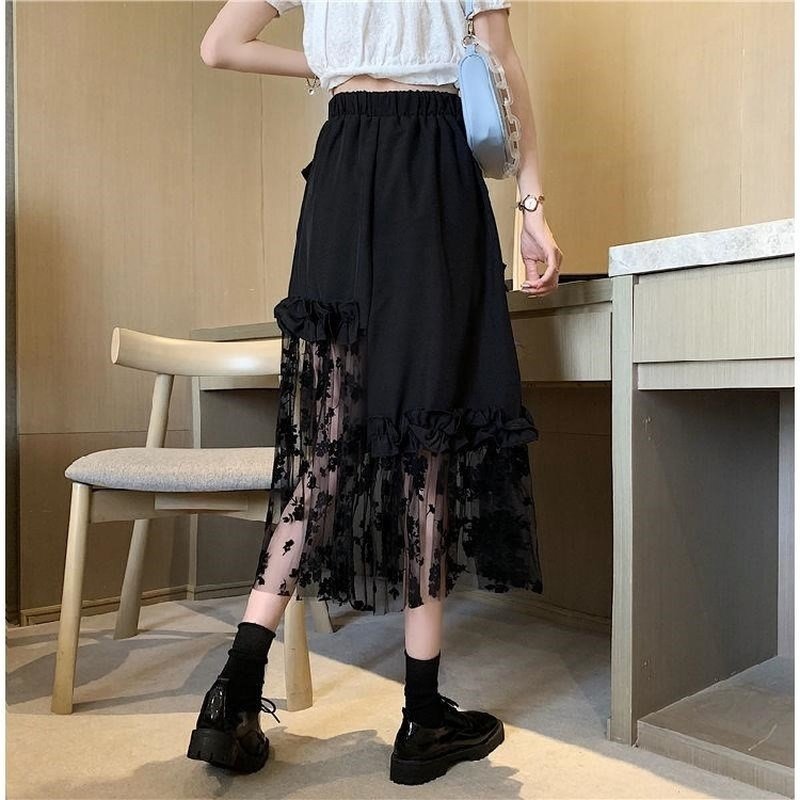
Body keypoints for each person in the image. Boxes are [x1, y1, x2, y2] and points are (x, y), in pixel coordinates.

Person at [188, 0, 562, 785]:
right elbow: (500, 63)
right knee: (427, 441)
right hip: (432, 168)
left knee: (325, 444)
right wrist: (531, 204)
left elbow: (220, 46)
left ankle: (234, 691)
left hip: (343, 161)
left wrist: (334, 62)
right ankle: (422, 716)